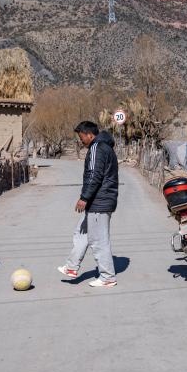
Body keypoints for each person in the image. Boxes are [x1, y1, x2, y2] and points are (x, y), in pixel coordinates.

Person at [57, 120, 119, 288]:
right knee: (82, 232)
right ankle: (71, 267)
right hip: (98, 201)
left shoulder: (96, 148)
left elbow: (94, 175)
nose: (81, 140)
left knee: (99, 241)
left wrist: (84, 197)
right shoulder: (105, 147)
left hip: (99, 202)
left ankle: (107, 277)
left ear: (89, 135)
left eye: (81, 137)